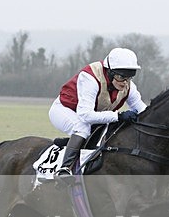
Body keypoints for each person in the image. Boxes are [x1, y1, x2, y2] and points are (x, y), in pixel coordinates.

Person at [48, 47, 147, 183]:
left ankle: (73, 143)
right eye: (121, 77)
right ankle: (64, 169)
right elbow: (85, 116)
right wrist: (118, 116)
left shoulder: (128, 86)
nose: (125, 83)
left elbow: (142, 109)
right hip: (64, 110)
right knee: (82, 128)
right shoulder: (90, 78)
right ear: (110, 72)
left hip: (91, 116)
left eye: (129, 77)